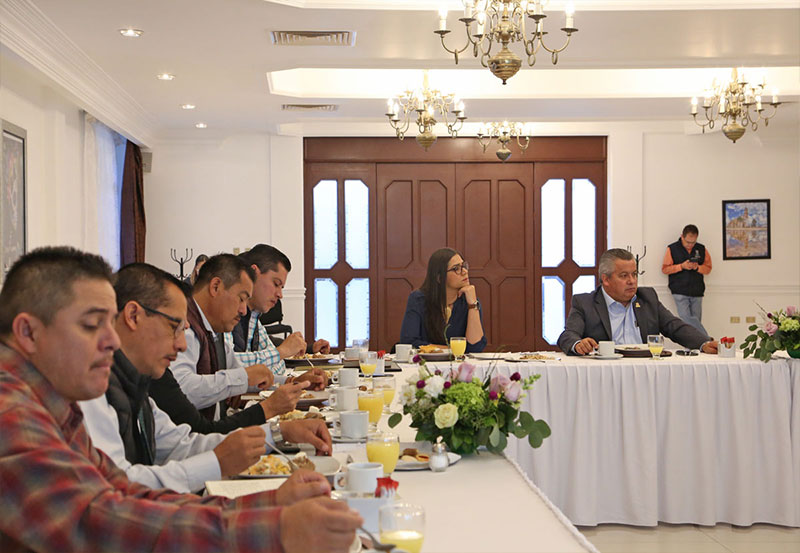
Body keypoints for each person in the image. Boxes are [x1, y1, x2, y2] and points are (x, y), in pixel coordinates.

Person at [0, 246, 362, 553]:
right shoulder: (11, 413)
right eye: (93, 324)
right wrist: (275, 530)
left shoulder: (56, 402)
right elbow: (96, 523)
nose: (112, 340)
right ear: (28, 332)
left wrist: (266, 505)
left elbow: (124, 492)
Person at [80, 263, 332, 493]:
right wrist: (218, 462)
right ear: (133, 316)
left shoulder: (135, 383)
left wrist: (277, 433)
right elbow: (119, 487)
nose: (181, 344)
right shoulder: (91, 393)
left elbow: (180, 445)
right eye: (174, 328)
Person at [160, 253, 304, 421]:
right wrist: (242, 379)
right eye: (241, 299)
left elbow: (239, 373)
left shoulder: (214, 330)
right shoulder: (186, 328)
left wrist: (291, 382)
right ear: (215, 287)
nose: (243, 310)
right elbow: (181, 390)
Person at [557, 248, 718, 356]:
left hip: (645, 370)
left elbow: (675, 326)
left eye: (634, 274)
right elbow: (568, 335)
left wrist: (703, 343)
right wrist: (578, 344)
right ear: (606, 279)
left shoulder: (647, 297)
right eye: (624, 276)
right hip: (605, 374)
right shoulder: (585, 303)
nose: (632, 281)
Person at [227, 244, 329, 390]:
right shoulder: (225, 314)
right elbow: (228, 367)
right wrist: (281, 352)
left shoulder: (254, 316)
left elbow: (275, 367)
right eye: (276, 284)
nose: (280, 295)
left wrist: (294, 381)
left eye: (281, 288)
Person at [399, 247, 487, 353]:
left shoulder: (470, 301)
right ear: (439, 278)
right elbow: (409, 342)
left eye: (463, 266)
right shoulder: (419, 299)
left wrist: (472, 305)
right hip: (426, 362)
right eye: (456, 268)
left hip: (459, 363)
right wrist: (452, 350)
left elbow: (475, 348)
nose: (464, 272)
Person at [661, 224, 712, 335]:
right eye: (688, 242)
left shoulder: (701, 249)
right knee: (685, 318)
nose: (690, 245)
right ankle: (706, 338)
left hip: (697, 291)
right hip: (679, 290)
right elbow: (665, 269)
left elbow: (708, 269)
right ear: (682, 237)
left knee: (696, 320)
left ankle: (697, 343)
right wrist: (681, 266)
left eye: (693, 242)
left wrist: (697, 268)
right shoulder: (672, 248)